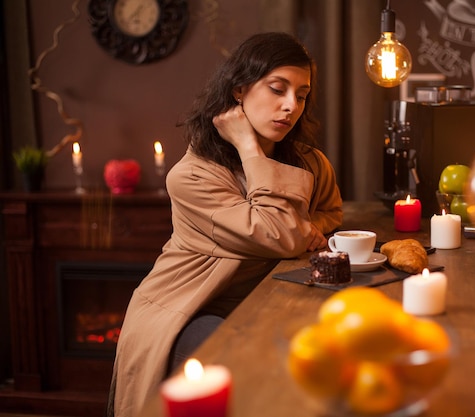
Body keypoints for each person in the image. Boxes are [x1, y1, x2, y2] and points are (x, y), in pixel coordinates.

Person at [106, 32, 343, 417]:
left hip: (265, 302)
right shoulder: (192, 177)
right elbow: (279, 236)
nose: (290, 106)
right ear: (239, 91)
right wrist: (249, 148)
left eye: (301, 95)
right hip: (188, 308)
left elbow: (331, 214)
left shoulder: (310, 162)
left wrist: (303, 228)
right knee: (254, 368)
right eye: (277, 89)